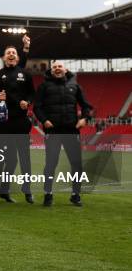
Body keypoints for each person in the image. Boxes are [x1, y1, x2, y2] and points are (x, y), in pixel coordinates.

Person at [34, 61, 93, 206]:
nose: (57, 69)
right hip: (52, 130)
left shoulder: (75, 86)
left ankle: (76, 194)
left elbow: (86, 106)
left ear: (65, 70)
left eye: (60, 66)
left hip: (71, 130)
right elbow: (37, 107)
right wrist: (44, 120)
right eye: (54, 67)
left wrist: (85, 118)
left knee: (76, 164)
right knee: (51, 164)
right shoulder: (44, 86)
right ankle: (48, 194)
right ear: (51, 70)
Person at [0, 45, 35, 204]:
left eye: (14, 52)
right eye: (8, 53)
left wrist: (27, 102)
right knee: (1, 160)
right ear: (4, 58)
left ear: (18, 57)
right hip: (4, 122)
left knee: (24, 159)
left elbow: (32, 94)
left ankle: (26, 191)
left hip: (21, 122)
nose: (11, 55)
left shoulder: (25, 74)